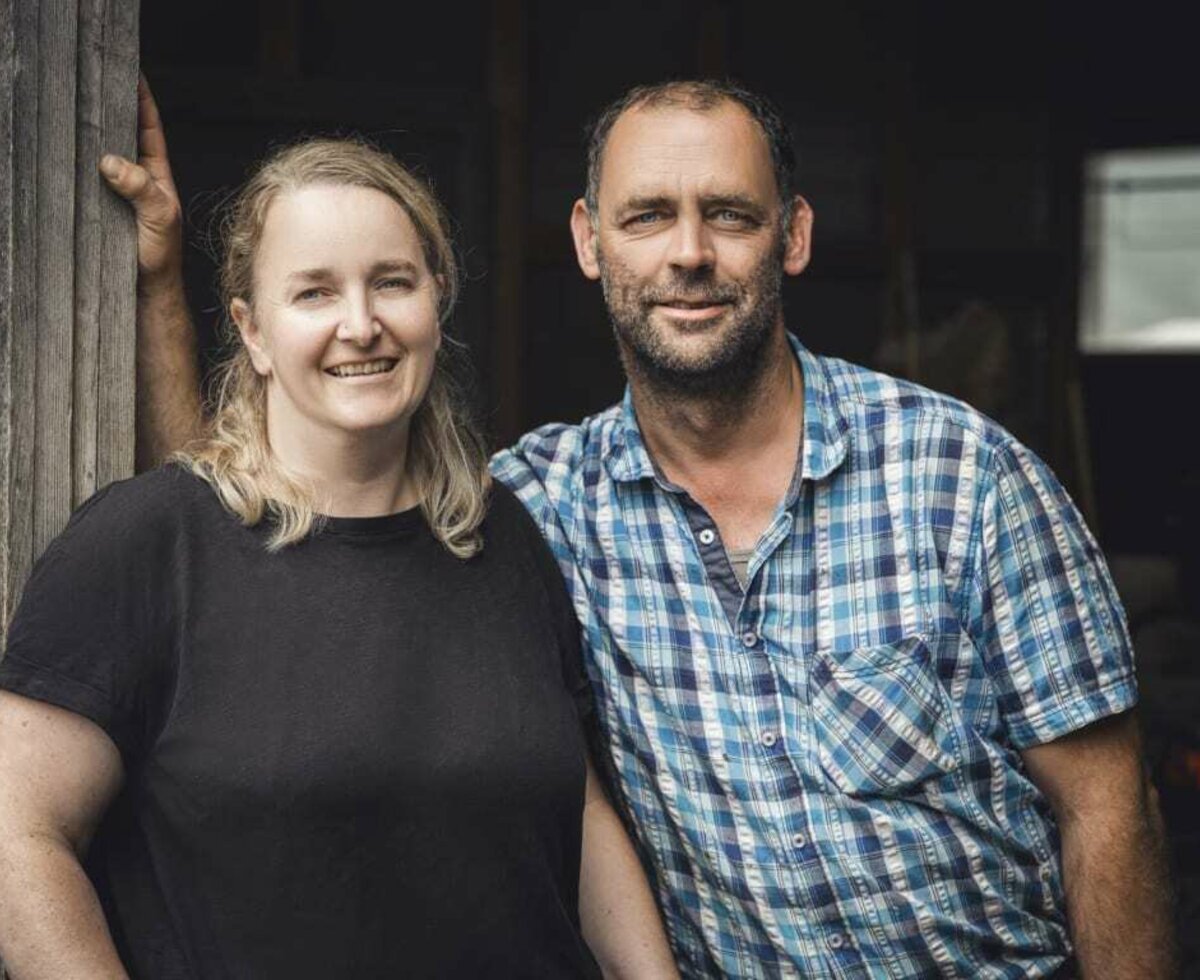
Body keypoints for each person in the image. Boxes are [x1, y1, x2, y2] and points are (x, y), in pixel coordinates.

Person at [120, 80, 1175, 978]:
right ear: (589, 241)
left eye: (729, 213)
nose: (689, 253)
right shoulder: (528, 514)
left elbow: (1108, 810)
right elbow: (260, 527)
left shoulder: (967, 478)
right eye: (646, 216)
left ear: (794, 234)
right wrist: (163, 282)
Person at [0, 123, 680, 979]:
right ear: (252, 332)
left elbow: (570, 808)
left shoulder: (501, 535)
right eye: (314, 293)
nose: (361, 324)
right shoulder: (149, 542)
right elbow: (15, 834)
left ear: (437, 299)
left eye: (391, 282)